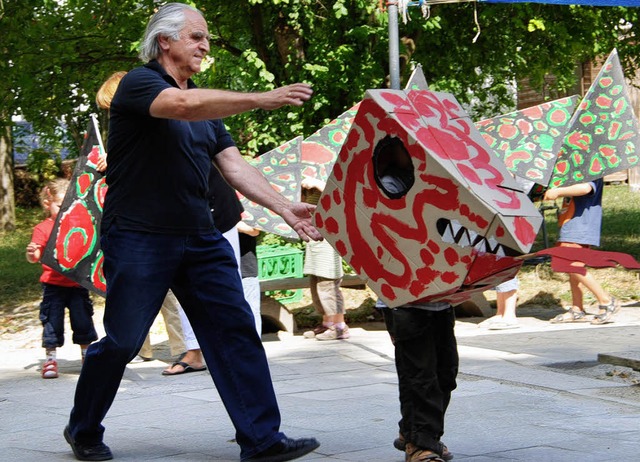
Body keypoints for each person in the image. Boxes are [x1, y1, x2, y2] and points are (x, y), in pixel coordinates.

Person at [63, 3, 321, 462]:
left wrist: (284, 207)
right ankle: (83, 428)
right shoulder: (141, 84)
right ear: (165, 41)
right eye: (196, 37)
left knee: (236, 331)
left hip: (200, 238)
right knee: (122, 340)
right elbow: (180, 107)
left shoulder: (203, 103)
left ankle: (262, 440)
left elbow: (232, 163)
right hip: (141, 235)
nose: (205, 46)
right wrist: (261, 97)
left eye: (206, 39)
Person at [26, 178, 99, 379]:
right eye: (60, 205)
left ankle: (87, 356)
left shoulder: (79, 224)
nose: (64, 208)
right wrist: (32, 253)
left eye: (68, 203)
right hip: (53, 285)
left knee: (83, 320)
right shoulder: (42, 228)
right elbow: (35, 257)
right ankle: (50, 359)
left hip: (78, 282)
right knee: (52, 322)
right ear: (47, 203)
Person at [377, 299, 457, 462]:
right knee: (419, 377)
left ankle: (411, 429)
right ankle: (420, 445)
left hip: (442, 303)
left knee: (446, 375)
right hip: (404, 306)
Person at [543, 179, 619, 325]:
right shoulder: (574, 168)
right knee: (573, 268)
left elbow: (585, 188)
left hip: (580, 224)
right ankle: (577, 309)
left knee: (570, 264)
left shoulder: (591, 164)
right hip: (570, 222)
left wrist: (558, 191)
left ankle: (606, 301)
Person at [300, 176, 349, 341]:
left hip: (330, 236)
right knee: (316, 284)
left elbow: (342, 195)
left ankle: (340, 327)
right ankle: (327, 323)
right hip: (314, 237)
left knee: (328, 284)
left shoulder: (332, 173)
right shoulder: (307, 176)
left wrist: (318, 184)